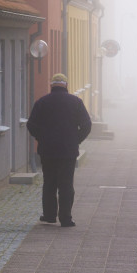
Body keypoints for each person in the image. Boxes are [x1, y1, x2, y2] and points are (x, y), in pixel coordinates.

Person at [27, 73, 92, 227]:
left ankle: (49, 215)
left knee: (49, 182)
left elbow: (31, 124)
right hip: (68, 150)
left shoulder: (42, 102)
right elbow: (87, 125)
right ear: (66, 85)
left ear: (52, 85)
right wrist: (76, 139)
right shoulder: (76, 102)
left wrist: (41, 137)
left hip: (47, 150)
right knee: (66, 184)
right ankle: (66, 218)